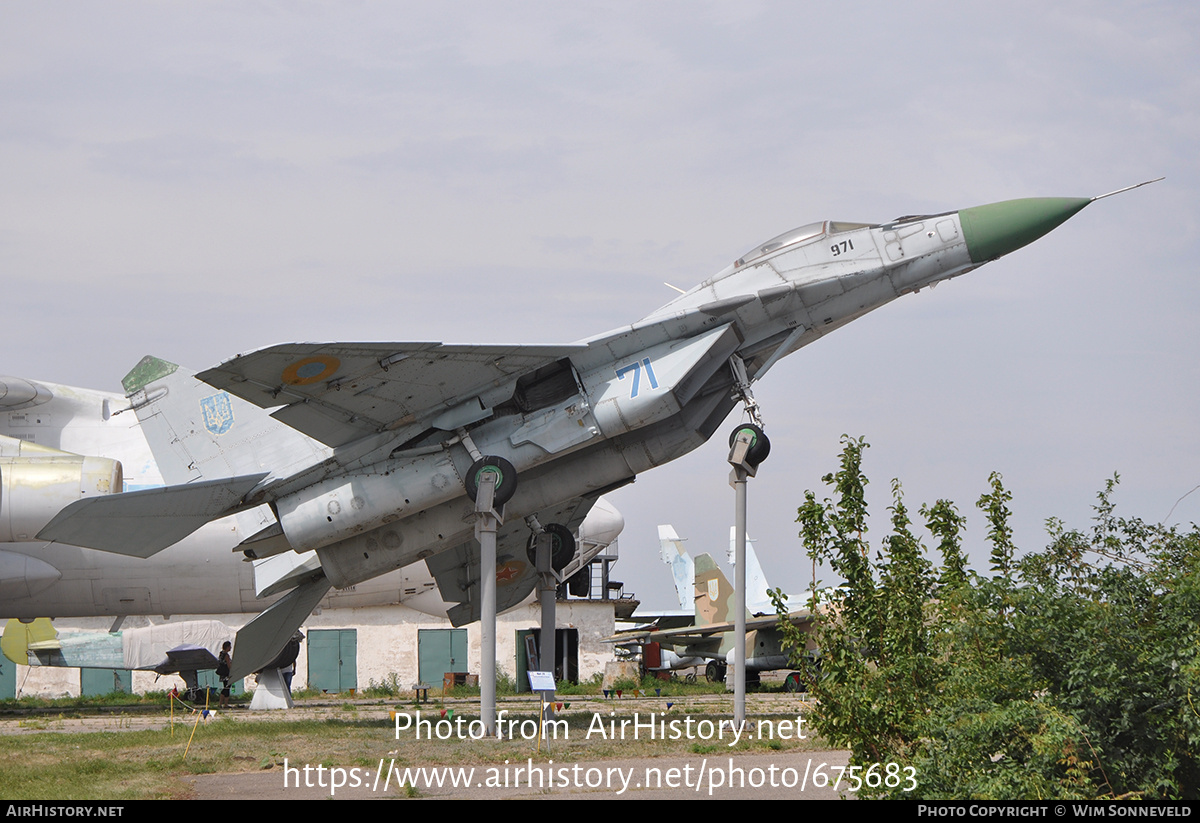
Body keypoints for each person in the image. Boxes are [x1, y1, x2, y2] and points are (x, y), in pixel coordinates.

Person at [216, 641, 233, 708]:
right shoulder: (226, 655)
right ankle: (224, 704)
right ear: (227, 647)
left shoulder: (221, 654)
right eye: (230, 646)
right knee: (227, 688)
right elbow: (229, 665)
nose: (230, 648)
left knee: (226, 687)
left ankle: (222, 704)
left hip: (222, 674)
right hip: (227, 674)